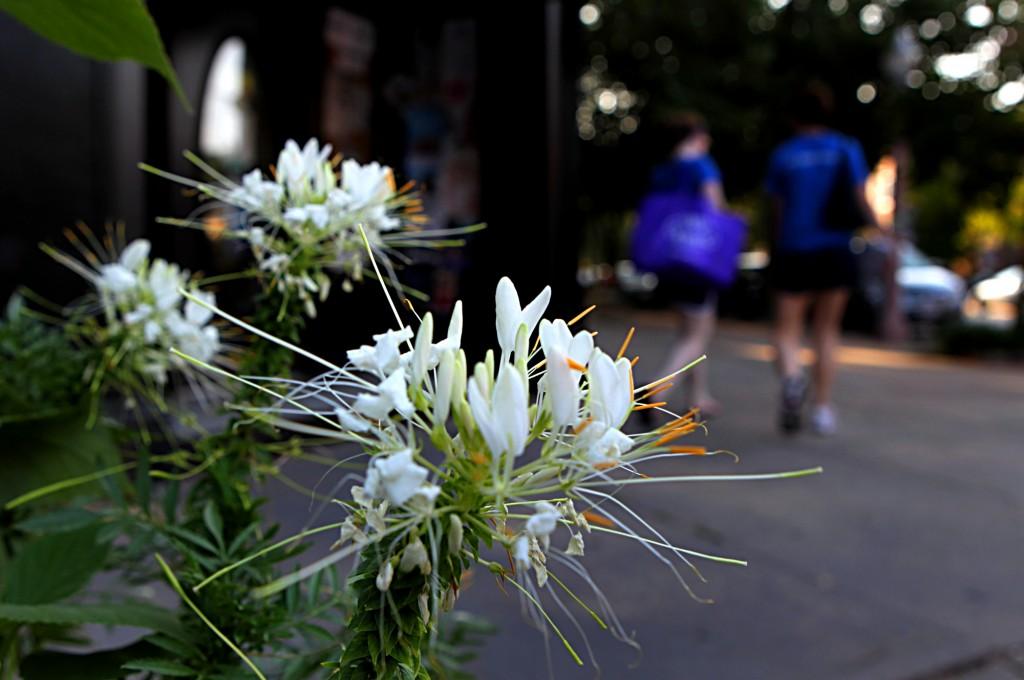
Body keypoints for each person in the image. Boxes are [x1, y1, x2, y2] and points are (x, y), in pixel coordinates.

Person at [764, 83, 876, 435]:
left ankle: (793, 379)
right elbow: (860, 197)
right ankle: (823, 408)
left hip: (794, 249)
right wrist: (881, 229)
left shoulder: (784, 154)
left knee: (786, 330)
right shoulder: (845, 148)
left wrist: (776, 246)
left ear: (793, 116)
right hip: (836, 249)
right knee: (826, 331)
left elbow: (777, 209)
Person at [649, 113, 727, 417]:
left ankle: (698, 397)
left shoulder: (663, 171)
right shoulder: (701, 165)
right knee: (698, 334)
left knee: (688, 330)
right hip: (698, 259)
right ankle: (658, 389)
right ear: (695, 136)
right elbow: (715, 208)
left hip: (670, 260)